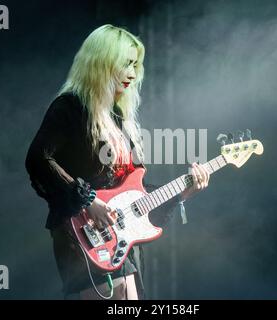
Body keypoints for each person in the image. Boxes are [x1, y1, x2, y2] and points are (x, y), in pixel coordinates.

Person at [25, 24, 210, 300]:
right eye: (126, 64)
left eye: (136, 65)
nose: (133, 74)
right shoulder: (70, 108)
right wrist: (89, 201)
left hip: (120, 241)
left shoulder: (119, 119)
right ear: (102, 63)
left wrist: (184, 191)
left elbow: (137, 191)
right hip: (85, 234)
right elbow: (38, 159)